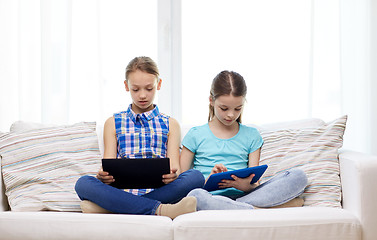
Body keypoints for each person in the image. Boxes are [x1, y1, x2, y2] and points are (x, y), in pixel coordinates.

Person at [75, 56, 204, 219]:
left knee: (195, 177)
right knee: (83, 183)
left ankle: (114, 207)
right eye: (136, 89)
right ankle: (160, 209)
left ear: (159, 84)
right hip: (121, 190)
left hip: (160, 190)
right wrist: (104, 176)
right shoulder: (113, 122)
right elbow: (108, 163)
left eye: (149, 89)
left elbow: (175, 169)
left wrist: (173, 175)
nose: (142, 95)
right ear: (126, 86)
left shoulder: (171, 124)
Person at [180, 70, 308, 210]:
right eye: (224, 108)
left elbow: (255, 183)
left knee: (298, 176)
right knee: (195, 196)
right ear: (211, 100)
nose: (230, 115)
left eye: (237, 109)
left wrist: (246, 186)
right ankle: (255, 209)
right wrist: (207, 181)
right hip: (208, 197)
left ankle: (241, 208)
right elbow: (181, 185)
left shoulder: (251, 135)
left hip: (245, 196)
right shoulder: (195, 135)